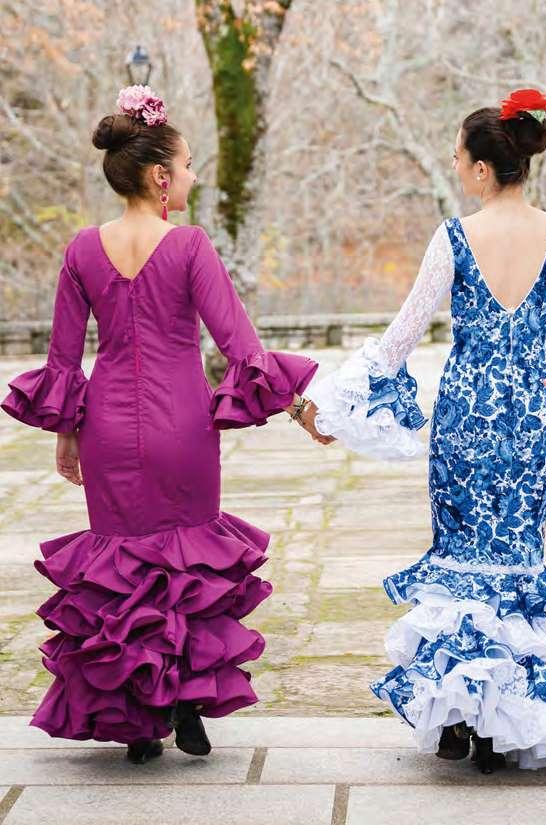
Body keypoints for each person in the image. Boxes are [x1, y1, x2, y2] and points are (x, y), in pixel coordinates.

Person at [306, 89, 546, 773]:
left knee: (459, 562)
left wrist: (334, 407)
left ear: (480, 168)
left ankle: (456, 716)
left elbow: (400, 337)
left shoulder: (453, 238)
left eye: (457, 157)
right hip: (533, 418)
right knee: (517, 558)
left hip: (465, 416)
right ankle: (507, 723)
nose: (454, 166)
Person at [1, 86, 326, 765]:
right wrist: (297, 408)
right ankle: (188, 706)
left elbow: (63, 358)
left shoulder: (82, 249)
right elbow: (238, 343)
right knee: (189, 563)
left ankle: (137, 723)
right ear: (159, 177)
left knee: (120, 567)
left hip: (107, 425)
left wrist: (66, 433)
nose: (193, 177)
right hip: (183, 423)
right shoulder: (188, 245)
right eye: (187, 166)